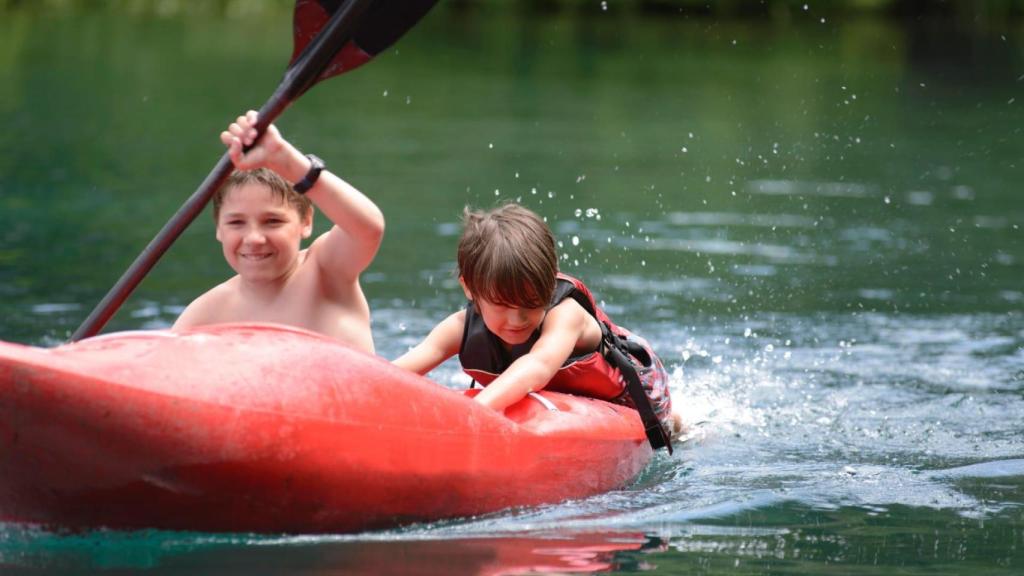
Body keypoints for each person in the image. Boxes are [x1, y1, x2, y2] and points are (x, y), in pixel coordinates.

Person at [393, 203, 681, 448]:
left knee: (675, 428)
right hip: (564, 396)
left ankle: (683, 420)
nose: (517, 320)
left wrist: (472, 413)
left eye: (532, 304)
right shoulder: (458, 329)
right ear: (469, 288)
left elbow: (539, 365)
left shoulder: (567, 316)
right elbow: (396, 373)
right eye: (503, 305)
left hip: (633, 389)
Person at [173, 110, 383, 353]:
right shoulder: (205, 316)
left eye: (272, 221)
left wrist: (288, 162)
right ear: (218, 228)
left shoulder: (327, 269)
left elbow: (368, 229)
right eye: (236, 223)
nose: (253, 238)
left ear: (306, 221)